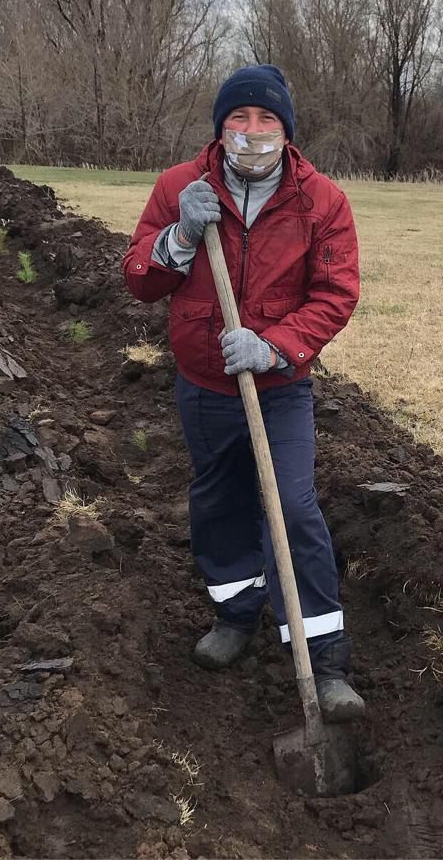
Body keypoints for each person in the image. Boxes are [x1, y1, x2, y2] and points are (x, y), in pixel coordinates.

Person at [123, 64, 364, 719]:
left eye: (266, 120)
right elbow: (140, 278)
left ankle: (324, 658)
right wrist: (177, 236)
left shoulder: (322, 202)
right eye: (238, 119)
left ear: (286, 131)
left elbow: (336, 295)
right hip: (204, 385)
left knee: (290, 505)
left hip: (279, 388)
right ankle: (235, 613)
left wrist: (276, 345)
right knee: (219, 500)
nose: (252, 131)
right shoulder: (180, 187)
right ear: (220, 127)